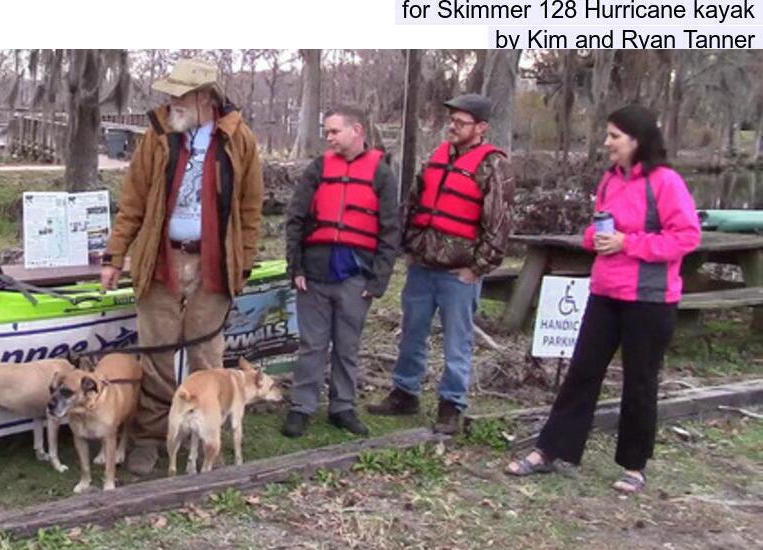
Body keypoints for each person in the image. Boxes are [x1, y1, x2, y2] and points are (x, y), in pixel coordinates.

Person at [508, 105, 702, 496]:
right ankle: (551, 450)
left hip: (650, 299)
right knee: (581, 373)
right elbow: (600, 226)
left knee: (640, 382)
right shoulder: (610, 180)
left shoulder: (665, 182)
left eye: (614, 136)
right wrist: (592, 238)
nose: (607, 142)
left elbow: (686, 236)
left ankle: (634, 465)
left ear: (637, 140)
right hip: (606, 292)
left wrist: (629, 243)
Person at [100, 57, 264, 476]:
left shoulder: (238, 139)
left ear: (206, 97)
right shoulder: (156, 136)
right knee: (156, 356)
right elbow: (133, 202)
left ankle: (205, 440)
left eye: (180, 95)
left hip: (212, 262)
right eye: (170, 94)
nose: (171, 101)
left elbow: (249, 209)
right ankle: (153, 438)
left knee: (207, 357)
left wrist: (241, 266)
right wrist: (115, 257)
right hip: (161, 259)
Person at [370, 93, 515, 435]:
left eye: (461, 122)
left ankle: (452, 403)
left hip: (459, 273)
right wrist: (408, 246)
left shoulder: (494, 165)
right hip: (423, 264)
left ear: (481, 128)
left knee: (457, 341)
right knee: (412, 333)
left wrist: (477, 268)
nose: (453, 126)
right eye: (452, 120)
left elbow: (500, 222)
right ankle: (405, 392)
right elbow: (414, 202)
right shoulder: (437, 155)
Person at [282, 106, 403, 438]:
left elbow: (391, 230)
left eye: (334, 131)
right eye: (327, 132)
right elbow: (295, 218)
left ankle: (342, 407)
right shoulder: (319, 168)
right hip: (315, 273)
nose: (329, 137)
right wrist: (296, 266)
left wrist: (378, 280)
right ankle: (301, 407)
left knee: (347, 345)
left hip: (356, 275)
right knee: (312, 345)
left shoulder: (381, 173)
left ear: (357, 130)